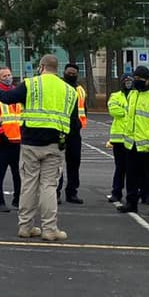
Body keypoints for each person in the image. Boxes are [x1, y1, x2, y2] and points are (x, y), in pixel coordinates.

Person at [0, 54, 78, 241]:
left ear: (41, 67)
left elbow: (7, 98)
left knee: (29, 184)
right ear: (57, 68)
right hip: (55, 143)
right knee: (49, 186)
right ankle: (49, 229)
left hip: (30, 142)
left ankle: (25, 226)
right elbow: (74, 121)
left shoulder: (31, 84)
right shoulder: (70, 90)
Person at [117, 65, 149, 216]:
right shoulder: (133, 94)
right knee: (131, 175)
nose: (137, 81)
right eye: (135, 79)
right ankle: (131, 203)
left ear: (148, 80)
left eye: (140, 79)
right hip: (131, 143)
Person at [0, 65, 22, 211]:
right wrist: (1, 134)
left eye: (9, 75)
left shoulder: (16, 92)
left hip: (16, 139)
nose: (8, 78)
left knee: (18, 173)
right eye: (4, 76)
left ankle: (18, 199)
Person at [58, 62, 87, 204]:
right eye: (69, 72)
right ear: (64, 72)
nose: (71, 74)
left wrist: (80, 123)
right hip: (61, 130)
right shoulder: (59, 87)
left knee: (74, 163)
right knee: (57, 163)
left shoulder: (80, 90)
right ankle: (55, 192)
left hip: (75, 131)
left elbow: (83, 109)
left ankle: (72, 192)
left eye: (74, 73)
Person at [105, 72, 133, 204]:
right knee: (120, 168)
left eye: (130, 80)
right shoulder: (115, 96)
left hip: (133, 138)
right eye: (125, 80)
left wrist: (124, 111)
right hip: (119, 139)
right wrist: (129, 112)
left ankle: (136, 194)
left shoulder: (136, 95)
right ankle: (116, 193)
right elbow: (114, 111)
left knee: (133, 169)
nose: (128, 82)